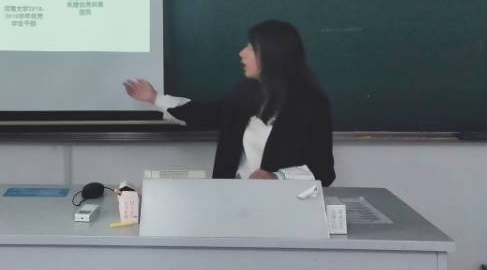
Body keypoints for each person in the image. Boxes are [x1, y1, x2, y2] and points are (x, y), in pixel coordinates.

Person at [123, 20, 335, 185]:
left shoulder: (311, 105)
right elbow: (206, 115)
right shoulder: (245, 92)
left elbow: (324, 172)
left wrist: (277, 177)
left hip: (283, 207)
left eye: (251, 48)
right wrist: (154, 98)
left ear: (272, 54)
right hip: (231, 199)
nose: (242, 54)